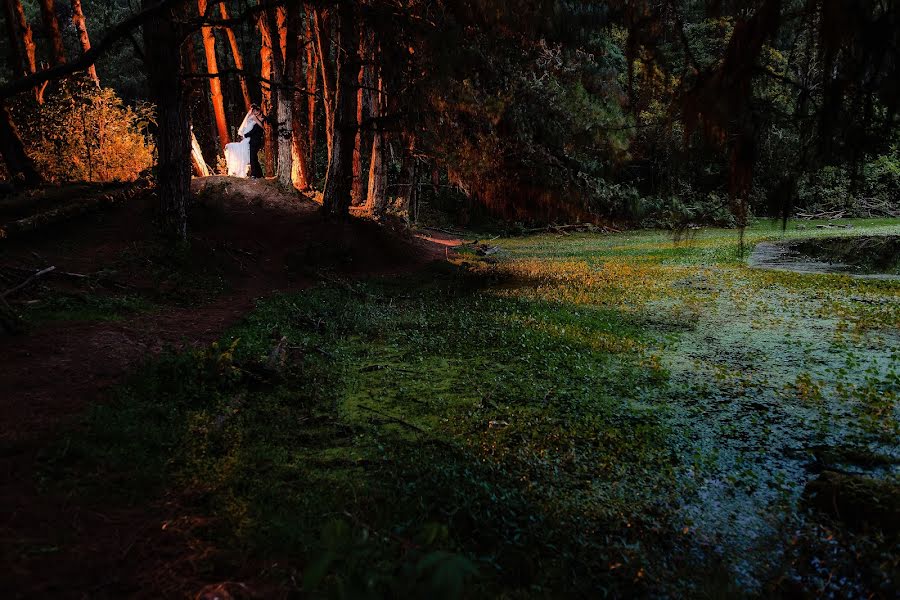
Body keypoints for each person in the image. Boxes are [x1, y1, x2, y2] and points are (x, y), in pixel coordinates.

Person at [239, 104, 266, 178]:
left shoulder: (261, 118)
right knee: (254, 158)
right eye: (254, 111)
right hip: (253, 141)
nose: (255, 113)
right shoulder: (255, 118)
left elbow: (255, 130)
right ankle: (259, 174)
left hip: (255, 141)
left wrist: (245, 135)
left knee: (252, 158)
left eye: (256, 111)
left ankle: (254, 174)